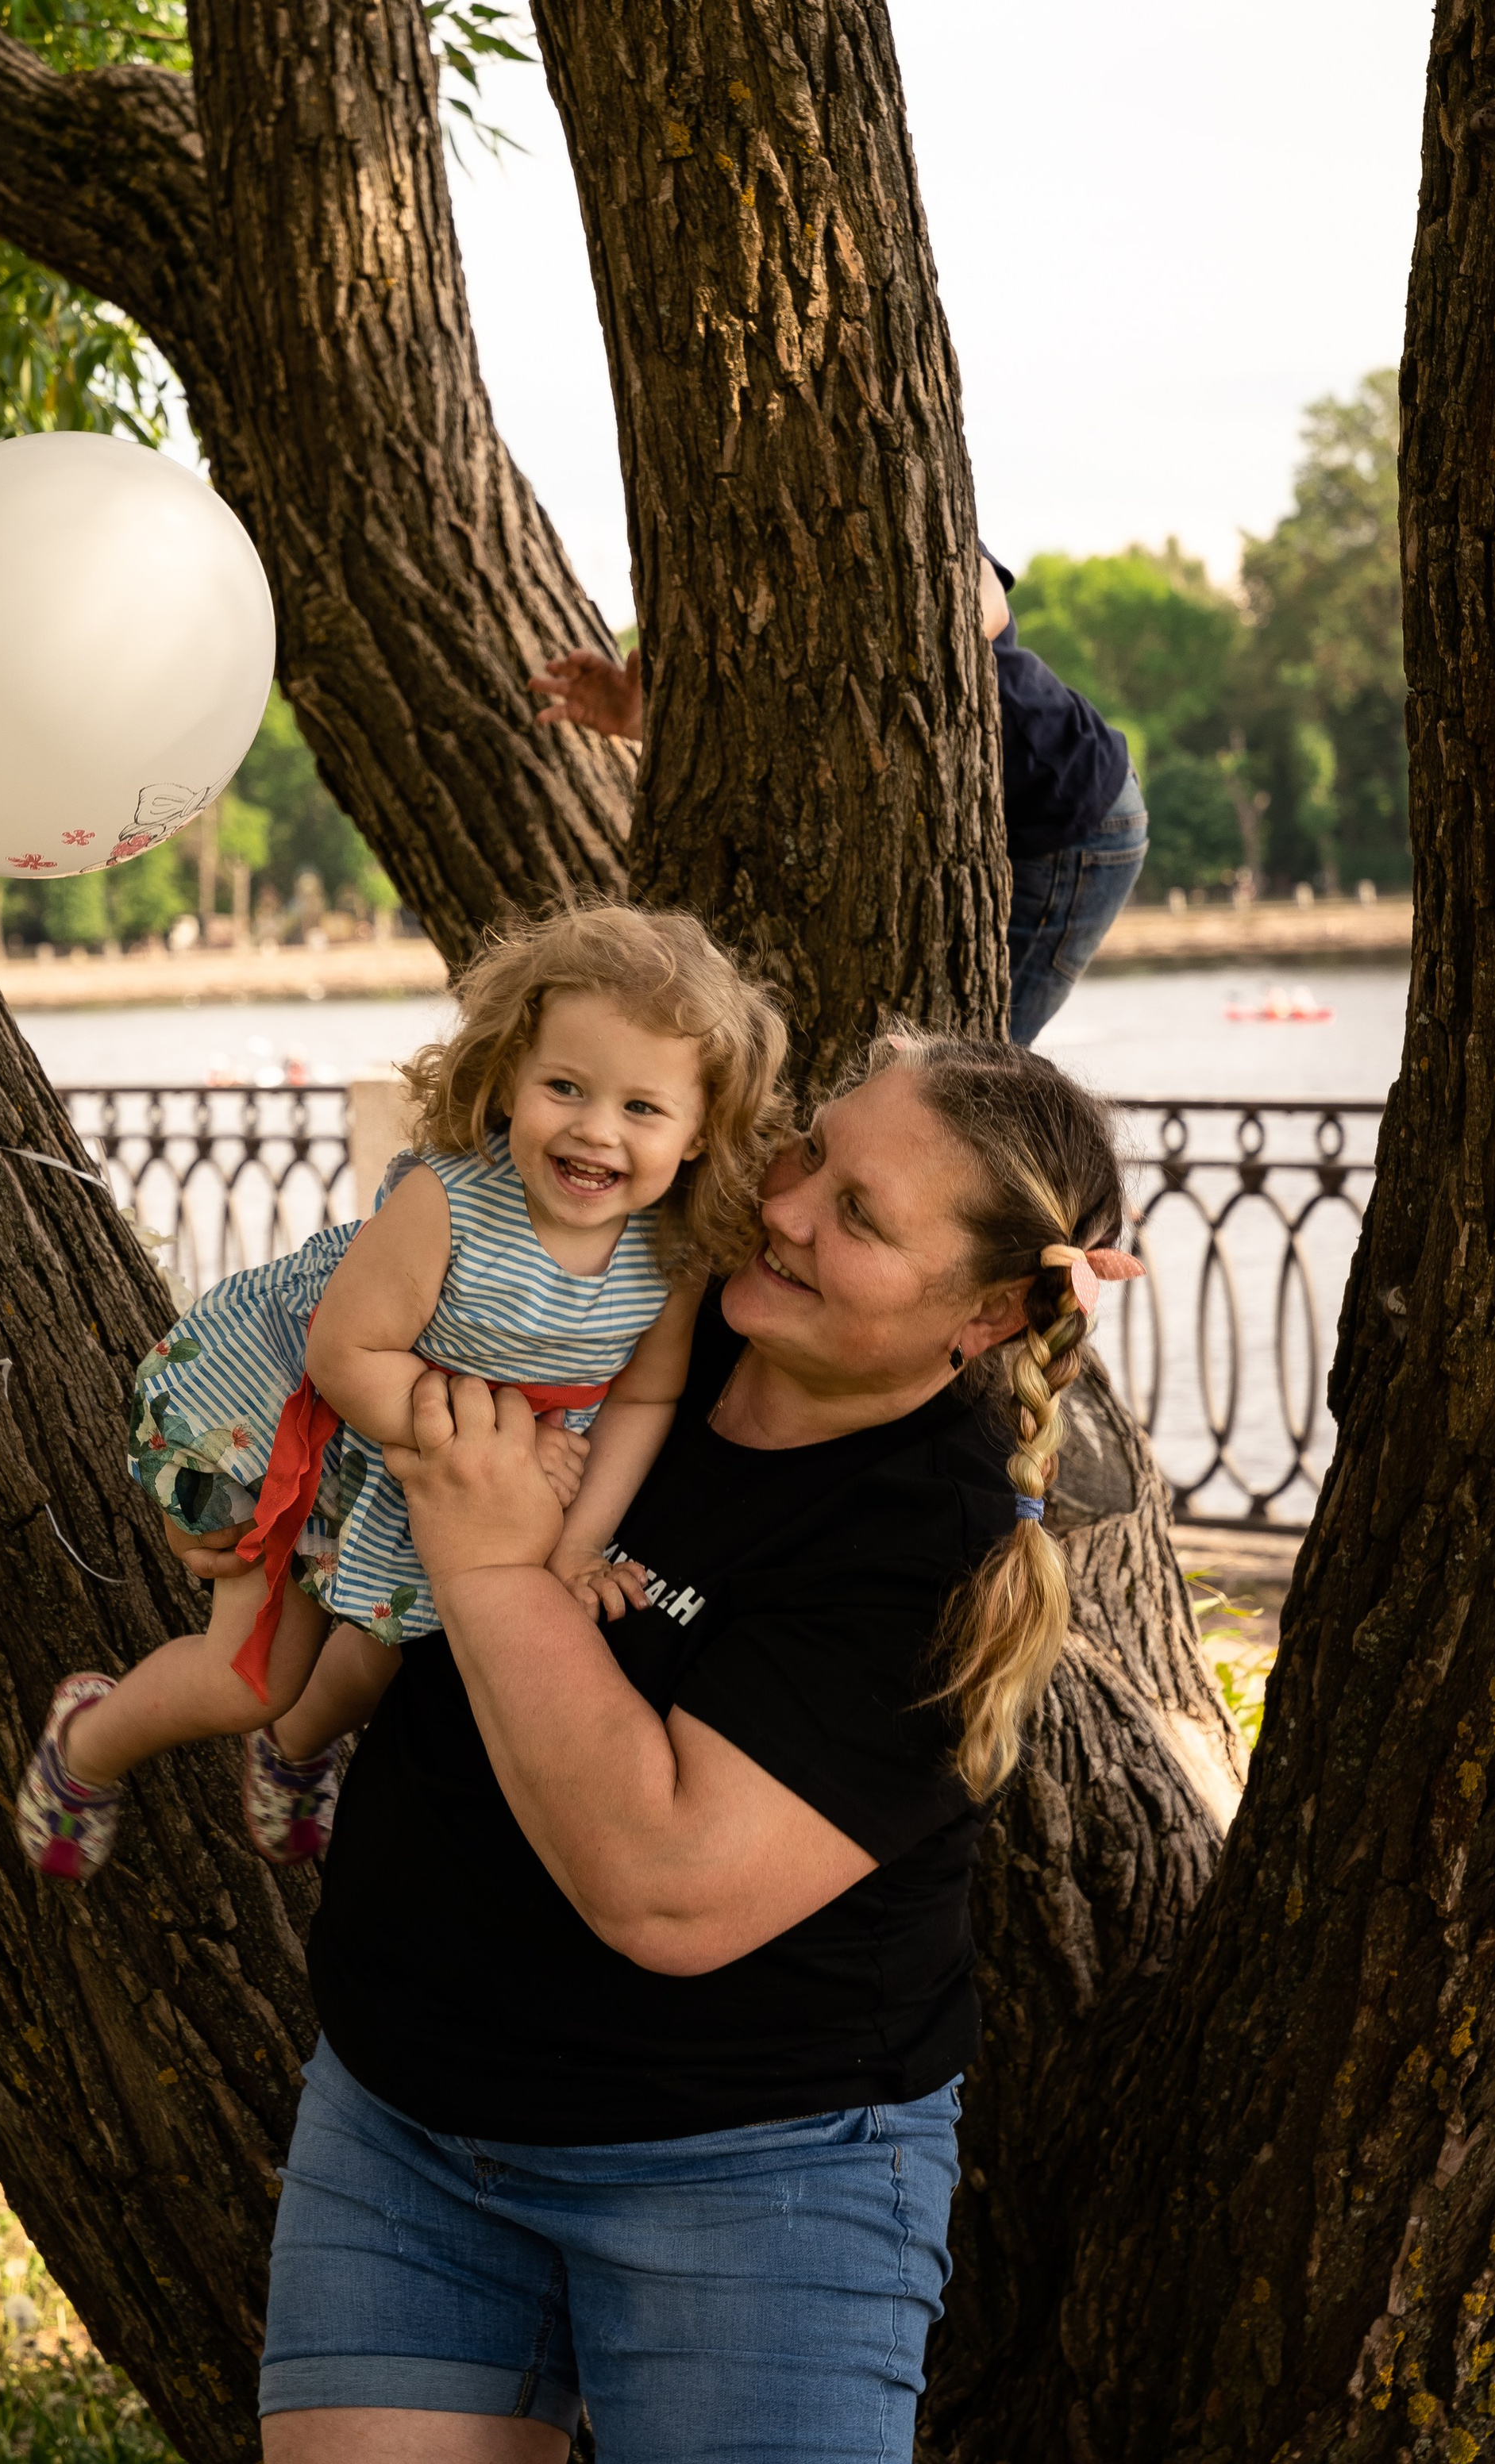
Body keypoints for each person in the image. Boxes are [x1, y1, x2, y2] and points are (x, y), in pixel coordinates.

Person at [203, 1018, 1133, 2461]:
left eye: (861, 1218)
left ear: (994, 1313)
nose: (786, 1209)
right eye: (813, 1150)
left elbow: (669, 1889)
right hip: (408, 2118)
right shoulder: (643, 1302)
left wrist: (496, 1563)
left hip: (749, 2174)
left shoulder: (934, 1538)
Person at [13, 903, 788, 1884]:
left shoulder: (671, 1253)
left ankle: (295, 1750)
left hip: (448, 1470)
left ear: (698, 1132)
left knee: (384, 1656)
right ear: (508, 1078)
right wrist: (491, 1458)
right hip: (309, 1424)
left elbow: (641, 1402)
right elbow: (348, 1352)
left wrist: (578, 1543)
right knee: (251, 1675)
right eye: (565, 1086)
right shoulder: (451, 1200)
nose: (596, 1130)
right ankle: (91, 1743)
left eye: (642, 1109)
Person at [529, 545, 1147, 1045]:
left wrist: (927, 633)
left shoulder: (880, 511)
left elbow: (983, 598)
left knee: (971, 1066)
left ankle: (1052, 1196)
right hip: (984, 827)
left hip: (1071, 818)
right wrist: (650, 715)